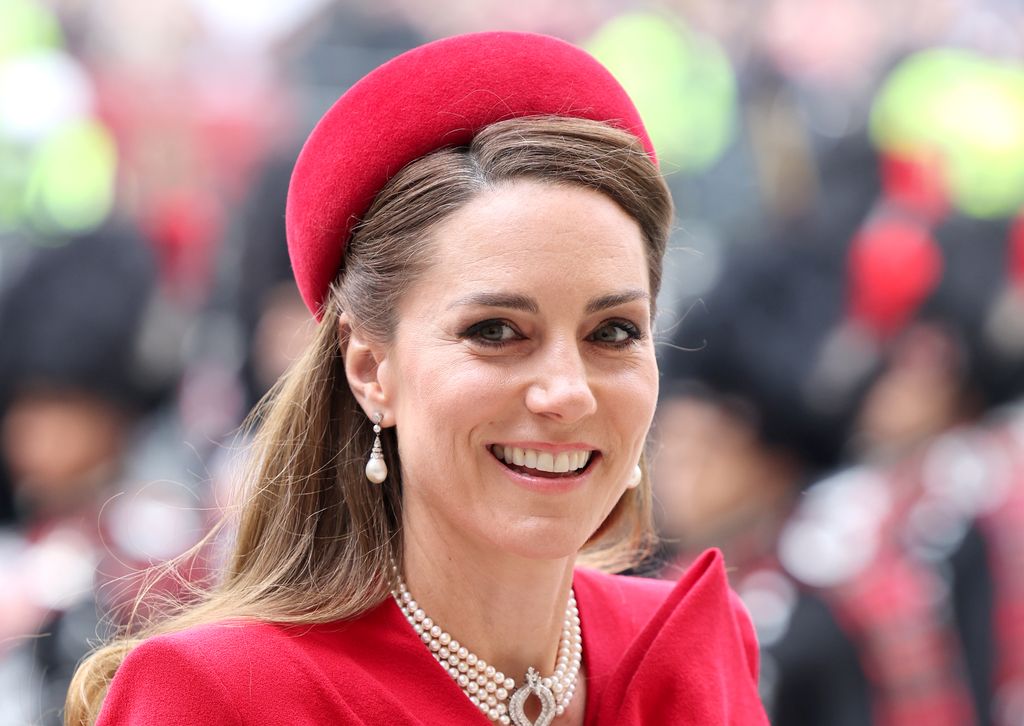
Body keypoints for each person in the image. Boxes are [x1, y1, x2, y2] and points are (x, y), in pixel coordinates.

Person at [67, 32, 767, 726]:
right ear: (371, 369)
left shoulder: (691, 655)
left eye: (612, 333)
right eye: (495, 332)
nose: (568, 392)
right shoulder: (226, 698)